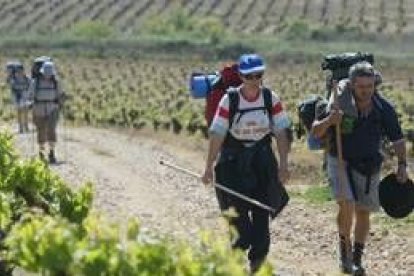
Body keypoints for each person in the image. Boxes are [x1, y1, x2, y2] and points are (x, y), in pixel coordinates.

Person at [311, 62, 408, 275]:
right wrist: (329, 120)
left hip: (369, 164)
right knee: (346, 204)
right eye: (362, 86)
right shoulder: (338, 104)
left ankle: (356, 258)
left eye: (370, 86)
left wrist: (403, 165)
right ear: (352, 85)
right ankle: (344, 257)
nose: (366, 90)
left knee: (363, 212)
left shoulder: (384, 108)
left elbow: (398, 140)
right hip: (340, 160)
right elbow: (316, 132)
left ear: (375, 85)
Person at [201, 54, 291, 274]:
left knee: (262, 211)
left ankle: (257, 261)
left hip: (262, 160)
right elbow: (217, 134)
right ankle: (237, 255)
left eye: (259, 75)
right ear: (241, 76)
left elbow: (280, 132)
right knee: (237, 213)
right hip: (232, 162)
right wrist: (209, 167)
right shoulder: (229, 100)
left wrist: (284, 164)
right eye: (250, 75)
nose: (254, 79)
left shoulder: (271, 98)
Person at [28, 61, 64, 164]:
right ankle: (41, 152)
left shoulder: (56, 82)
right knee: (41, 131)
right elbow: (30, 96)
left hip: (53, 109)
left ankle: (52, 152)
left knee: (51, 129)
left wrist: (61, 101)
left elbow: (60, 95)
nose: (48, 75)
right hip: (38, 109)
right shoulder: (35, 82)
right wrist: (30, 103)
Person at [7, 63, 31, 133]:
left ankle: (26, 127)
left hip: (25, 96)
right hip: (18, 97)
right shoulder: (13, 79)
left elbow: (30, 86)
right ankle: (21, 128)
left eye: (21, 70)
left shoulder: (27, 78)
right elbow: (10, 85)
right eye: (18, 71)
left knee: (25, 112)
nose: (19, 72)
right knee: (19, 112)